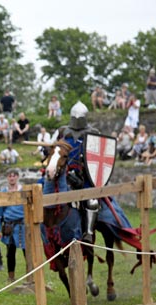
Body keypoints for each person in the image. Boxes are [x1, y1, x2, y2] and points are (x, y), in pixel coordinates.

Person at [55, 101, 101, 243]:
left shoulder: (93, 133)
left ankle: (88, 232)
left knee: (92, 201)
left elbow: (98, 156)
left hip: (85, 174)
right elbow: (53, 148)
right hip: (65, 172)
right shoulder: (63, 132)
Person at [0, 169, 26, 283]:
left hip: (22, 225)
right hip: (9, 226)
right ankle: (11, 277)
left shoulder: (24, 190)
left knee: (26, 252)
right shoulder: (4, 192)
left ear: (17, 177)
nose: (12, 178)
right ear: (7, 178)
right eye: (9, 176)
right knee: (10, 253)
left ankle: (30, 276)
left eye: (14, 176)